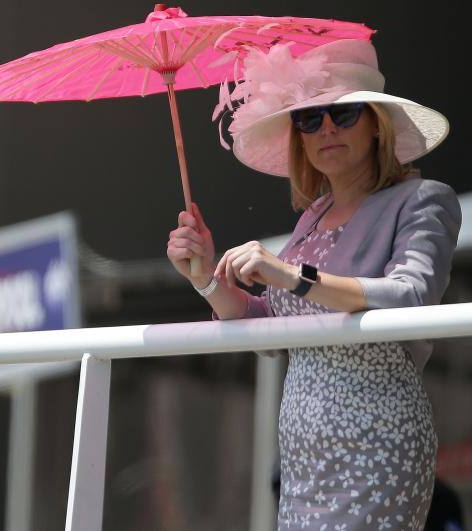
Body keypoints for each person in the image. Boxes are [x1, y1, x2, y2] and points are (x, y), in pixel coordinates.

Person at [167, 39, 461, 529]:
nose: (325, 128)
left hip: (377, 439)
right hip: (303, 458)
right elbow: (273, 329)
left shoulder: (423, 199)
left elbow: (412, 296)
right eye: (309, 118)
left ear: (376, 124)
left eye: (342, 115)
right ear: (299, 137)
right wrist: (206, 279)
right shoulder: (313, 216)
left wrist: (291, 276)